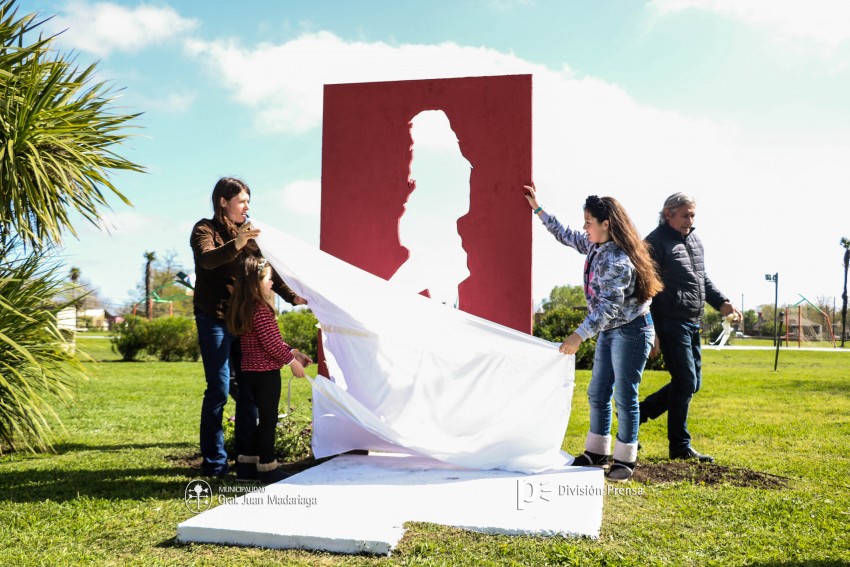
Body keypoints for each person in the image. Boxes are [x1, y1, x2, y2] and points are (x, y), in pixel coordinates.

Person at [524, 183, 663, 482]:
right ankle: (596, 452)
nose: (584, 228)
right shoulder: (595, 245)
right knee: (598, 393)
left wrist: (578, 335)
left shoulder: (618, 262)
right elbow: (565, 235)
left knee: (625, 396)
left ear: (606, 224)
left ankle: (626, 459)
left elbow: (608, 308)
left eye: (588, 222)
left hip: (632, 331)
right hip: (611, 331)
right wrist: (538, 210)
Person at [190, 177, 307, 478]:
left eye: (248, 202)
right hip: (214, 319)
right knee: (218, 388)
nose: (246, 207)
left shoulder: (251, 238)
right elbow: (207, 260)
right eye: (241, 200)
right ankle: (215, 464)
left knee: (245, 393)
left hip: (242, 323)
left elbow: (266, 269)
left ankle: (247, 459)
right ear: (223, 202)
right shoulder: (205, 230)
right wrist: (237, 243)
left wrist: (291, 295)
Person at [639, 193, 741, 463]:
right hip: (669, 321)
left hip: (692, 320)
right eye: (685, 215)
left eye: (693, 214)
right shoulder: (653, 243)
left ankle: (638, 414)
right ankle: (679, 446)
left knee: (691, 384)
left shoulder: (694, 241)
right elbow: (644, 290)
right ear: (668, 213)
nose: (690, 220)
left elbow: (701, 279)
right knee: (685, 381)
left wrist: (722, 303)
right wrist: (652, 330)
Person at [226, 256, 310, 483]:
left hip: (249, 373)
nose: (272, 284)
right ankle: (267, 467)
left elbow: (268, 340)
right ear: (256, 282)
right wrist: (291, 363)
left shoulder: (244, 308)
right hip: (266, 376)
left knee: (256, 420)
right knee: (268, 421)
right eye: (269, 279)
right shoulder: (262, 310)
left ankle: (246, 468)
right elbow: (271, 344)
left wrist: (293, 352)